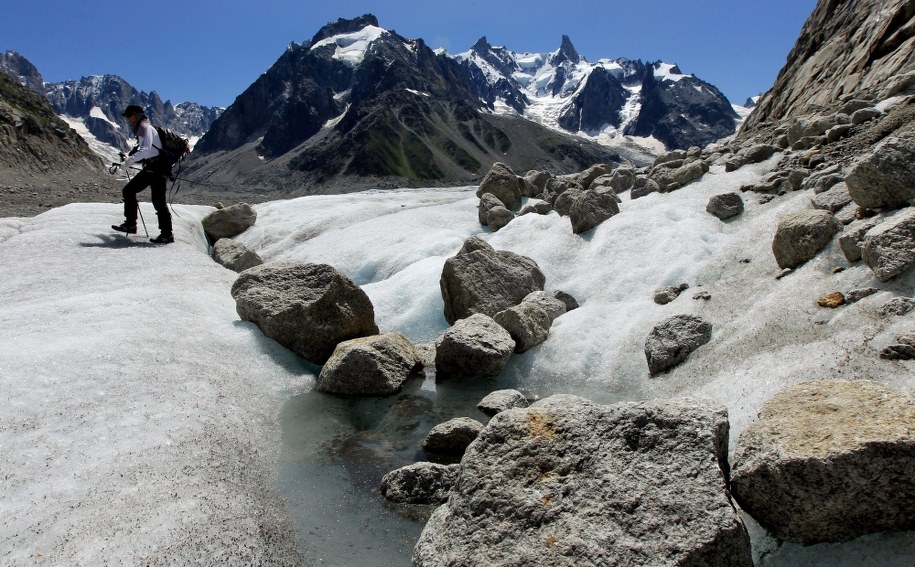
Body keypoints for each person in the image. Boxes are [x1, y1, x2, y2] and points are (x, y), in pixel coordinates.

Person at [111, 104, 174, 244]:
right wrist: (129, 158)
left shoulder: (145, 128)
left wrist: (127, 162)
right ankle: (167, 234)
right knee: (159, 202)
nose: (127, 119)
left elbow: (145, 150)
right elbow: (147, 151)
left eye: (129, 116)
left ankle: (131, 224)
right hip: (158, 168)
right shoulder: (145, 128)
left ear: (136, 115)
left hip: (154, 168)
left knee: (129, 190)